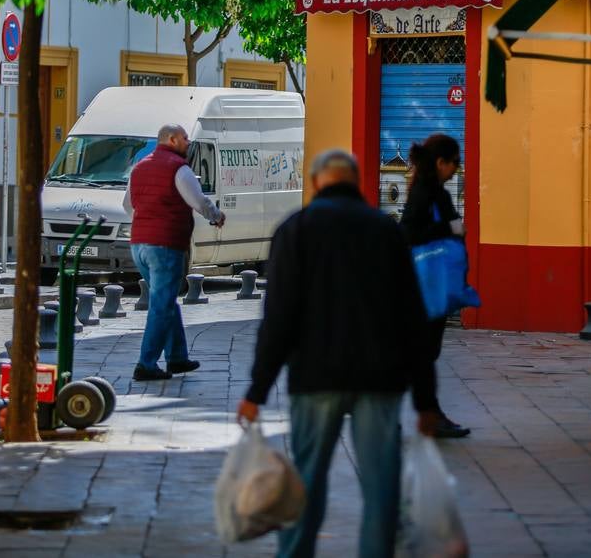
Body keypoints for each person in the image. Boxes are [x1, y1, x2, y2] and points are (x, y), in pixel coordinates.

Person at [237, 149, 438, 558]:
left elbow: (278, 319)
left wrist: (257, 391)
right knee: (382, 484)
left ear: (315, 184)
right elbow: (412, 316)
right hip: (380, 378)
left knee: (307, 480)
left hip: (315, 378)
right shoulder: (386, 231)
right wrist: (425, 399)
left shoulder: (295, 230)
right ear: (359, 182)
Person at [123, 123, 225, 382]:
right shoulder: (179, 169)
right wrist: (216, 216)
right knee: (161, 304)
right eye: (184, 138)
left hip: (139, 244)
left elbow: (127, 205)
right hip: (165, 244)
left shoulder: (139, 167)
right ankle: (146, 364)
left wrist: (147, 220)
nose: (188, 142)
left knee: (165, 301)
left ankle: (177, 357)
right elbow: (198, 201)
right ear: (171, 139)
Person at [400, 133, 471, 439]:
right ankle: (425, 414)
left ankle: (424, 413)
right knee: (423, 352)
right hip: (424, 284)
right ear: (441, 162)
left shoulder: (432, 190)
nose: (457, 168)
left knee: (424, 352)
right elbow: (410, 234)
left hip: (433, 282)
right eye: (455, 162)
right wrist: (450, 228)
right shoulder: (426, 192)